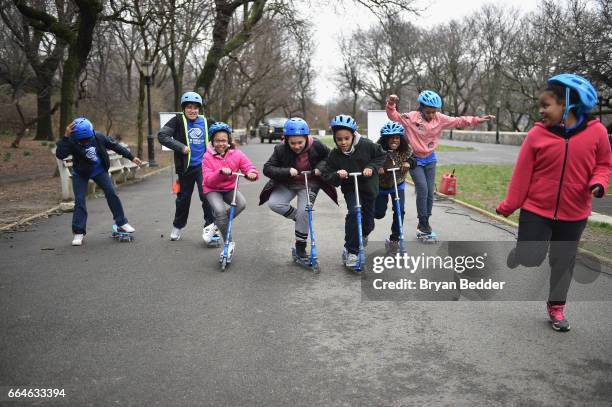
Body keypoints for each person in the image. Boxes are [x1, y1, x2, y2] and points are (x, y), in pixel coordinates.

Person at [496, 74, 610, 332]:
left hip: (574, 213)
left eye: (546, 105)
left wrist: (599, 182)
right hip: (537, 209)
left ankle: (556, 308)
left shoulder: (597, 132)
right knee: (530, 257)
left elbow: (603, 164)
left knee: (563, 261)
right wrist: (509, 205)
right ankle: (522, 252)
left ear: (567, 104)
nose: (541, 110)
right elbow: (522, 174)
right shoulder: (537, 134)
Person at [386, 90, 494, 235]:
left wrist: (476, 120)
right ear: (421, 108)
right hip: (414, 159)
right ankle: (422, 222)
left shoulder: (439, 118)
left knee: (430, 192)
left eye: (433, 112)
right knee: (423, 190)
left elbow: (458, 121)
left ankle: (426, 221)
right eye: (428, 112)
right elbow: (395, 117)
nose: (431, 115)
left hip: (430, 158)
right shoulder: (411, 117)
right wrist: (391, 103)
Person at [259, 117, 338, 259]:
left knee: (305, 210)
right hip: (288, 182)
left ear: (307, 137)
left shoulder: (317, 145)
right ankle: (300, 217)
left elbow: (330, 157)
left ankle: (300, 248)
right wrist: (286, 171)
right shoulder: (280, 149)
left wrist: (320, 168)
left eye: (300, 142)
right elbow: (267, 168)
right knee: (275, 203)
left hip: (310, 183)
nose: (296, 146)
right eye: (292, 143)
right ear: (286, 139)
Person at [55, 117, 141, 246]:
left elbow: (116, 146)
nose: (84, 143)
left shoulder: (99, 137)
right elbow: (60, 154)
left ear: (92, 134)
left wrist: (132, 157)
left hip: (99, 171)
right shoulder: (71, 140)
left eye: (87, 140)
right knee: (79, 200)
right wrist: (66, 137)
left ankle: (121, 222)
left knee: (111, 192)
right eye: (81, 141)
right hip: (81, 173)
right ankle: (79, 232)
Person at [322, 114, 386, 267]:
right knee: (354, 213)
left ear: (353, 136)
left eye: (346, 138)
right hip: (351, 188)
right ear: (335, 139)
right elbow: (327, 174)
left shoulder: (366, 145)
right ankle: (351, 251)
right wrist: (338, 174)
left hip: (369, 188)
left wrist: (371, 167)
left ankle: (362, 234)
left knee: (368, 223)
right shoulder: (334, 154)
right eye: (339, 139)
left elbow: (381, 156)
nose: (343, 142)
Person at [157, 91, 216, 242]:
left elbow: (222, 134)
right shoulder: (177, 120)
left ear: (199, 109)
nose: (192, 110)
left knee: (206, 196)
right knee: (183, 199)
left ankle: (209, 228)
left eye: (195, 107)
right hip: (186, 168)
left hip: (204, 167)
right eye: (189, 107)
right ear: (184, 108)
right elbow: (162, 136)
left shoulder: (206, 121)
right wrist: (180, 147)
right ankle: (178, 226)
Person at [202, 122, 259, 259]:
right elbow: (208, 180)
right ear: (212, 141)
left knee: (241, 204)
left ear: (228, 141)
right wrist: (220, 173)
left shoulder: (237, 154)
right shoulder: (207, 157)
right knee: (220, 211)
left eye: (223, 140)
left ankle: (215, 225)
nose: (220, 143)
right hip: (212, 189)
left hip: (229, 188)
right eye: (217, 140)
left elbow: (248, 166)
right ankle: (229, 243)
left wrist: (251, 173)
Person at [374, 121, 416, 252]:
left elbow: (414, 159)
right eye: (391, 137)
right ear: (385, 139)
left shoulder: (406, 149)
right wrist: (377, 167)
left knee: (399, 210)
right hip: (381, 185)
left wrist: (409, 162)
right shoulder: (377, 149)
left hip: (398, 184)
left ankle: (395, 239)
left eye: (397, 137)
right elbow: (369, 161)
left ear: (401, 139)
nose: (394, 140)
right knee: (379, 213)